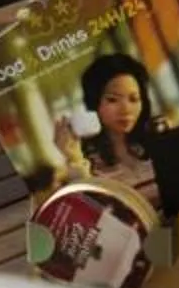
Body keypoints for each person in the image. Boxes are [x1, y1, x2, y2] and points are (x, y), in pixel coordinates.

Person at [51, 54, 158, 191]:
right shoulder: (86, 164)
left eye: (133, 99)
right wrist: (74, 159)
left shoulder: (156, 144)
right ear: (94, 104)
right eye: (112, 100)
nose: (126, 109)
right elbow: (94, 205)